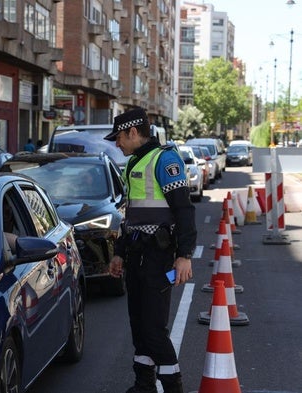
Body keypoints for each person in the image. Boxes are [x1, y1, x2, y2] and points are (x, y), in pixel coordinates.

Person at [104, 108, 196, 393]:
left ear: (133, 132)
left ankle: (172, 386)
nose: (117, 144)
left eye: (119, 137)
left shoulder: (165, 159)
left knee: (154, 329)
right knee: (139, 325)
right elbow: (129, 215)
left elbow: (183, 209)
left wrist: (184, 256)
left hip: (159, 258)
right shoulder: (135, 163)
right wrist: (119, 252)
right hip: (136, 255)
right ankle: (143, 384)